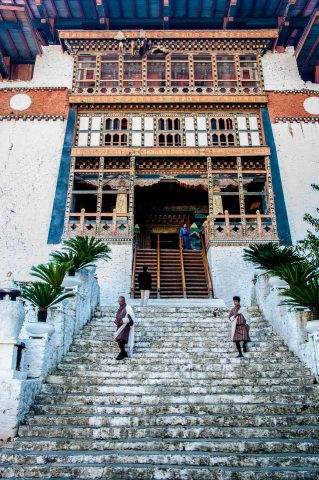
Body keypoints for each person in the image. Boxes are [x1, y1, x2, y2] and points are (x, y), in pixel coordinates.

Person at [114, 296, 136, 360]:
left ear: (124, 301)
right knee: (118, 339)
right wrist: (117, 321)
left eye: (121, 301)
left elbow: (131, 316)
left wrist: (123, 320)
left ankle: (122, 352)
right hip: (120, 326)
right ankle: (123, 351)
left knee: (120, 338)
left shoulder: (127, 307)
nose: (119, 302)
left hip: (126, 326)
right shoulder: (119, 308)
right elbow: (117, 316)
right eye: (119, 301)